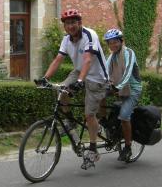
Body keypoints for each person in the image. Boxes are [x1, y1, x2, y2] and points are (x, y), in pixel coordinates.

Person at [37, 9, 109, 168]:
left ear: (80, 23)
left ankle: (93, 149)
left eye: (74, 22)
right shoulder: (66, 40)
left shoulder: (90, 35)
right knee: (61, 90)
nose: (71, 26)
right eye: (67, 23)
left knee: (89, 115)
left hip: (96, 76)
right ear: (64, 26)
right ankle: (70, 122)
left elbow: (88, 60)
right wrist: (45, 78)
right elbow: (58, 60)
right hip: (79, 70)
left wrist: (80, 81)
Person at [103, 28, 142, 162]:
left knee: (124, 116)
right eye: (110, 43)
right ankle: (105, 122)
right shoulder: (112, 57)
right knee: (97, 96)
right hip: (117, 87)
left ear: (121, 41)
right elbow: (105, 72)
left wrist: (117, 87)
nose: (112, 45)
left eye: (115, 42)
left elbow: (127, 73)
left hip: (133, 89)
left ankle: (128, 147)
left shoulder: (129, 53)